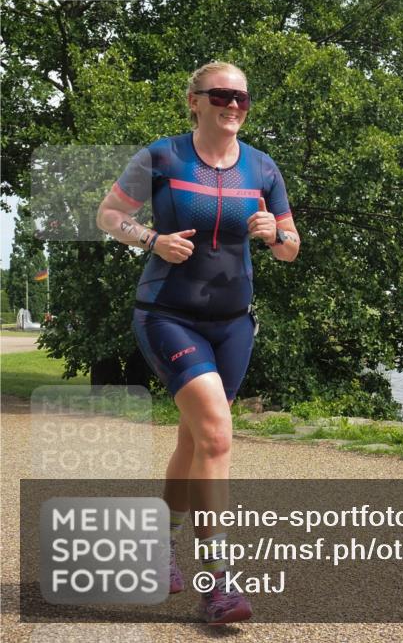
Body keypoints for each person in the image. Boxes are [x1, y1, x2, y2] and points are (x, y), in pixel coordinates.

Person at [97, 61, 300, 624]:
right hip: (167, 315)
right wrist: (151, 239)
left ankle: (159, 546)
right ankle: (219, 582)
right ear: (194, 100)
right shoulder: (161, 157)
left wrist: (275, 234)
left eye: (242, 97)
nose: (233, 105)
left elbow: (291, 245)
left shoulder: (262, 167)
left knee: (195, 442)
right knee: (215, 434)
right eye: (220, 94)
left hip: (233, 324)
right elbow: (109, 214)